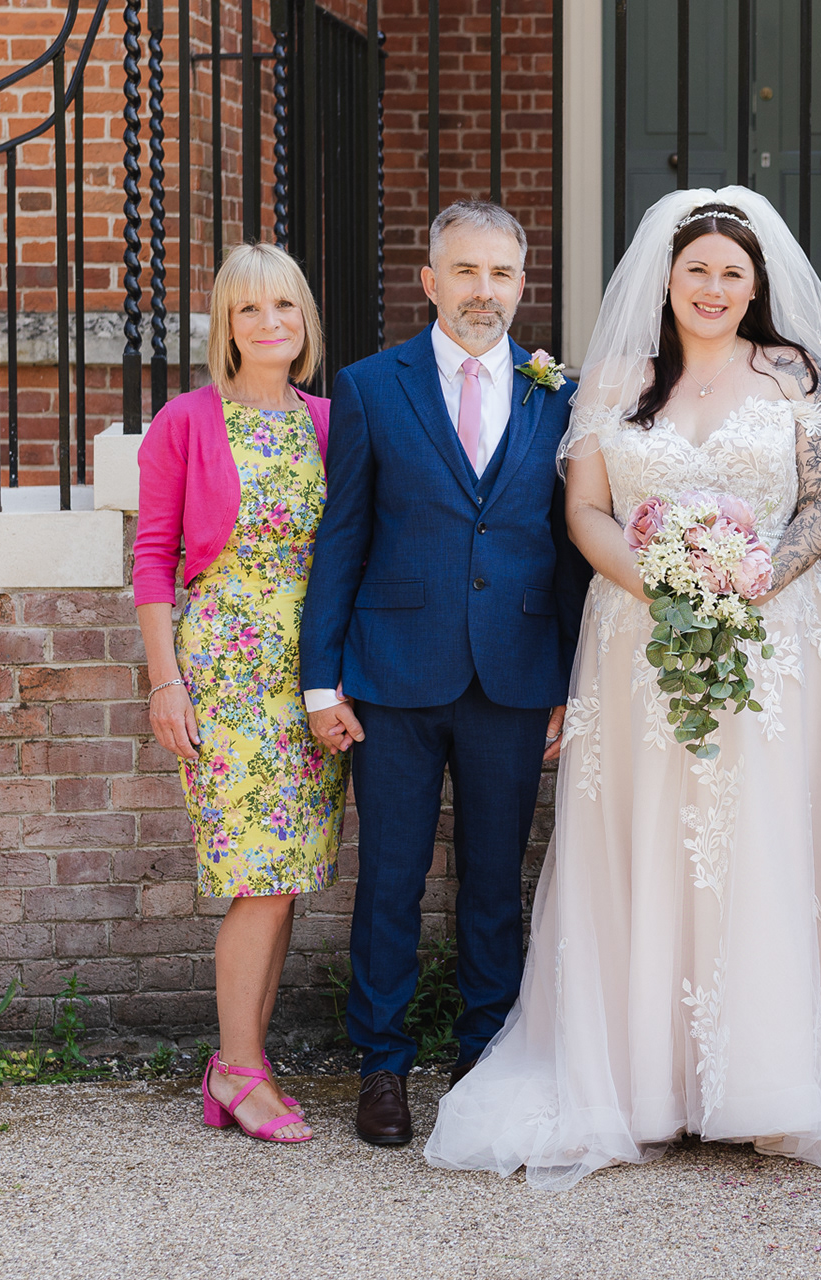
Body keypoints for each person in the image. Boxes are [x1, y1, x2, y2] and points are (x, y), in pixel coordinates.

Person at [423, 187, 821, 1188]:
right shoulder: (615, 378)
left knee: (765, 835)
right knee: (645, 835)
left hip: (774, 635)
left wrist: (747, 581)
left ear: (756, 285)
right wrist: (669, 584)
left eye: (733, 274)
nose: (714, 289)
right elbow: (586, 511)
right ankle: (645, 1082)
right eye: (698, 271)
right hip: (639, 635)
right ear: (668, 279)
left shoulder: (794, 372)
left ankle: (766, 1084)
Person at [298, 201, 587, 1147]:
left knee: (495, 881)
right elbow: (342, 538)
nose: (483, 291)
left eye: (501, 273)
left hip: (515, 675)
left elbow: (570, 551)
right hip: (393, 674)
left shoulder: (561, 395)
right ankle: (381, 1065)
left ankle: (484, 1059)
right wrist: (321, 679)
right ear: (430, 281)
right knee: (390, 877)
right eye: (465, 271)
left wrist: (570, 684)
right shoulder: (370, 388)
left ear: (522, 283)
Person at [134, 242, 344, 1144]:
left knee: (287, 876)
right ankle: (238, 1070)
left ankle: (243, 1066)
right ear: (226, 323)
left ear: (305, 321)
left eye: (284, 306)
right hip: (226, 667)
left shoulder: (330, 421)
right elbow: (153, 559)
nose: (269, 323)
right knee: (259, 875)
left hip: (312, 673)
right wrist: (165, 683)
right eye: (249, 308)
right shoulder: (186, 420)